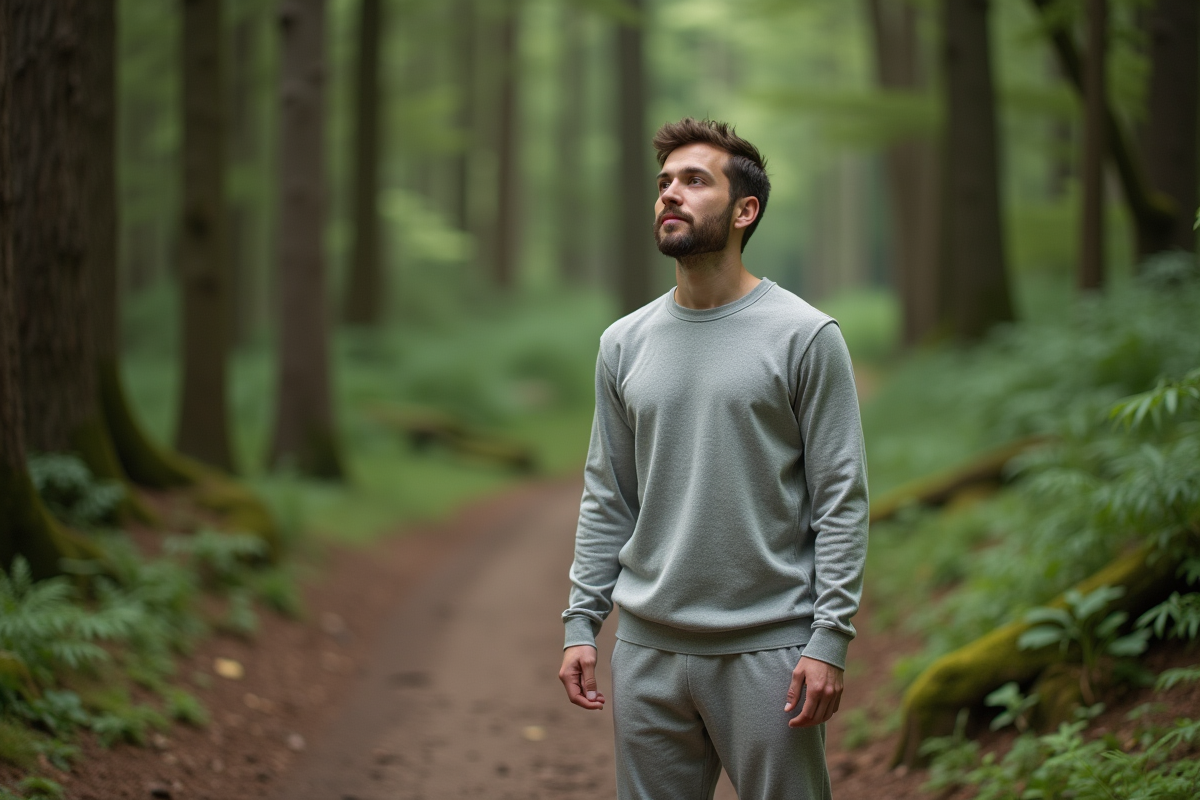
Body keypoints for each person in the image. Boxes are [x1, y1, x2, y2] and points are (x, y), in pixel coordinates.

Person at [558, 117, 869, 800]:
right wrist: (582, 622)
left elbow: (841, 498)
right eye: (664, 182)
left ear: (743, 210)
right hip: (647, 651)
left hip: (770, 650)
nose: (670, 194)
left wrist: (829, 639)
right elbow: (609, 494)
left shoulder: (805, 336)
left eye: (695, 180)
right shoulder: (623, 343)